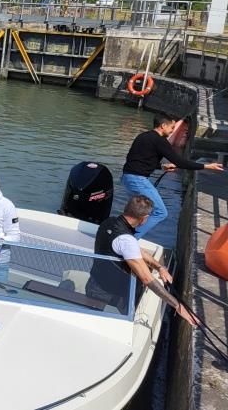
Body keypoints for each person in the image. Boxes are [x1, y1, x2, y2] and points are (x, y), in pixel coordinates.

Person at [86, 196, 198, 325]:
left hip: (94, 284)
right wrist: (177, 306)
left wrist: (159, 268)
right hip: (114, 294)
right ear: (144, 218)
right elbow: (146, 278)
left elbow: (136, 251)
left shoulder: (109, 222)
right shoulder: (126, 240)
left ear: (127, 208)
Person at [122, 115, 223, 239]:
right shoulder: (160, 141)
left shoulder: (142, 136)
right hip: (138, 180)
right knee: (160, 212)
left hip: (127, 178)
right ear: (163, 125)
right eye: (172, 127)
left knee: (135, 213)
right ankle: (130, 239)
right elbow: (180, 162)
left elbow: (135, 159)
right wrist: (206, 166)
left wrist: (162, 167)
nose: (173, 130)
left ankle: (121, 235)